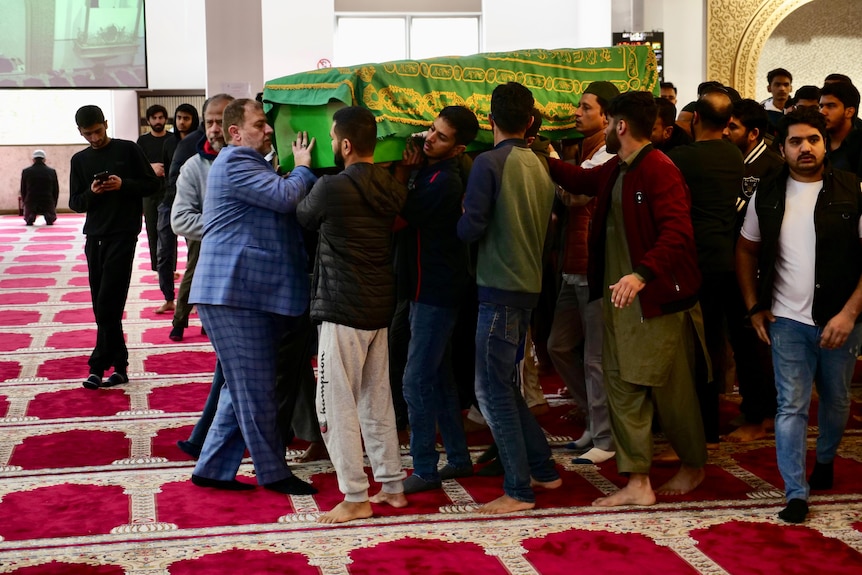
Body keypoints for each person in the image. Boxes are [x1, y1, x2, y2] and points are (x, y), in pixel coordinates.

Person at [547, 91, 707, 507]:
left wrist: (640, 275)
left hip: (656, 303)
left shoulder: (659, 169)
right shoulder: (618, 168)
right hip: (620, 304)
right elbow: (580, 181)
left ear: (619, 126)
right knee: (621, 386)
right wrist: (536, 154)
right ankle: (638, 482)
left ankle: (693, 464)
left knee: (672, 393)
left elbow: (677, 233)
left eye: (608, 123)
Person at [736, 107, 862, 524]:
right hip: (786, 320)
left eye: (812, 139)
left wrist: (848, 313)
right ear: (782, 147)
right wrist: (754, 304)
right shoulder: (767, 193)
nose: (804, 148)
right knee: (790, 405)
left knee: (837, 399)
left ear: (825, 143)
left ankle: (824, 460)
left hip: (840, 318)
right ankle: (795, 492)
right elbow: (746, 248)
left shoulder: (853, 189)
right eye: (795, 141)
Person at [188, 98, 317, 496]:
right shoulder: (235, 161)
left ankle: (211, 468)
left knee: (240, 386)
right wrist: (304, 166)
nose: (267, 130)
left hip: (242, 293)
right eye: (260, 124)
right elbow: (286, 198)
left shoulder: (252, 164)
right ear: (235, 132)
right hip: (234, 293)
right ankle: (272, 472)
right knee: (257, 386)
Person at [297, 106, 408, 523]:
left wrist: (304, 168)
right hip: (379, 306)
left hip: (342, 308)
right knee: (376, 400)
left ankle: (356, 496)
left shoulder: (330, 187)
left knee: (335, 404)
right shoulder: (393, 186)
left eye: (330, 137)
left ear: (344, 144)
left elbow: (302, 217)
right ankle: (392, 486)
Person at [457, 82, 562, 515]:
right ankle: (542, 466)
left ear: (489, 120)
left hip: (498, 288)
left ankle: (518, 490)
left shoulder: (489, 163)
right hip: (527, 287)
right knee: (501, 382)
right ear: (530, 121)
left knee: (489, 389)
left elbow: (470, 228)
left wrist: (459, 216)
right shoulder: (539, 164)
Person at [396, 106, 479, 494]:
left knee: (416, 381)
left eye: (441, 136)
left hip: (437, 291)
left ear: (458, 147)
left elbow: (401, 213)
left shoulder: (444, 181)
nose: (429, 137)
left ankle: (426, 468)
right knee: (440, 377)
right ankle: (459, 459)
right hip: (424, 288)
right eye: (432, 129)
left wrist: (405, 173)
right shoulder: (433, 170)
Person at [547, 81, 619, 465]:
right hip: (571, 266)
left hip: (591, 268)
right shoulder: (585, 151)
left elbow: (577, 196)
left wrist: (550, 157)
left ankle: (606, 439)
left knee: (595, 358)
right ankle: (594, 419)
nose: (576, 112)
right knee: (558, 345)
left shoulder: (609, 154)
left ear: (605, 117)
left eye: (584, 107)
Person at [667, 88, 744, 446]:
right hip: (725, 260)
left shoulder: (683, 157)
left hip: (693, 261)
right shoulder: (733, 154)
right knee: (712, 344)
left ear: (695, 118)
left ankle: (696, 431)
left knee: (693, 351)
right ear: (729, 123)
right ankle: (708, 429)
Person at [68, 105, 160, 389]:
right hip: (94, 237)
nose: (94, 139)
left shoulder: (128, 150)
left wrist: (123, 184)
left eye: (97, 131)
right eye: (88, 134)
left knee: (108, 302)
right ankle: (119, 366)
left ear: (105, 124)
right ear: (80, 132)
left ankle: (97, 365)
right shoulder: (80, 160)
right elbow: (75, 203)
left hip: (123, 235)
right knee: (103, 305)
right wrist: (92, 194)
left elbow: (151, 185)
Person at [170, 94, 233, 457]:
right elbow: (180, 220)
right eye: (209, 121)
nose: (214, 127)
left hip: (250, 276)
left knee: (233, 366)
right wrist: (227, 225)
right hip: (217, 274)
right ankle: (205, 441)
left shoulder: (257, 162)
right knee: (232, 363)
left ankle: (202, 438)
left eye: (220, 120)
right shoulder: (196, 167)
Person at [721, 98, 784, 442]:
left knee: (755, 345)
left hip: (759, 271)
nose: (726, 132)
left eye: (733, 127)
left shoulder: (771, 166)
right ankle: (755, 407)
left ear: (754, 132)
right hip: (736, 265)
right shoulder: (736, 161)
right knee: (743, 343)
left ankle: (761, 416)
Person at [155, 103, 200, 317]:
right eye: (179, 117)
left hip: (193, 205)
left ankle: (196, 299)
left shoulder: (200, 143)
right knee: (164, 253)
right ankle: (168, 298)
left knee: (195, 257)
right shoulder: (168, 143)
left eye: (187, 118)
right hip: (169, 201)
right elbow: (167, 175)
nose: (182, 122)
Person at [136, 104, 170, 276]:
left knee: (169, 232)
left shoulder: (172, 139)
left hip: (170, 191)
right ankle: (157, 267)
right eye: (154, 118)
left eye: (161, 117)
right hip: (149, 192)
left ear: (165, 119)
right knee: (152, 230)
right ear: (148, 120)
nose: (158, 121)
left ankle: (169, 268)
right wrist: (152, 168)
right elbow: (136, 167)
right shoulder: (142, 141)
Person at [819, 81, 862, 175]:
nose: (822, 112)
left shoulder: (858, 144)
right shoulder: (816, 140)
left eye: (830, 106)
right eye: (821, 106)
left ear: (849, 112)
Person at [20, 149, 59, 226]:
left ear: (33, 160)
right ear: (44, 160)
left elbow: (23, 189)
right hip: (47, 201)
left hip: (31, 201)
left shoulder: (26, 171)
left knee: (29, 213)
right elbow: (56, 190)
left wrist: (25, 202)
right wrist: (54, 203)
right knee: (50, 215)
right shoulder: (51, 171)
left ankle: (31, 215)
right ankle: (48, 215)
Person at [761, 68, 793, 134]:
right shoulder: (761, 112)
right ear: (769, 88)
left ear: (791, 88)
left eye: (786, 85)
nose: (782, 88)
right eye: (777, 85)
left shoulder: (797, 109)